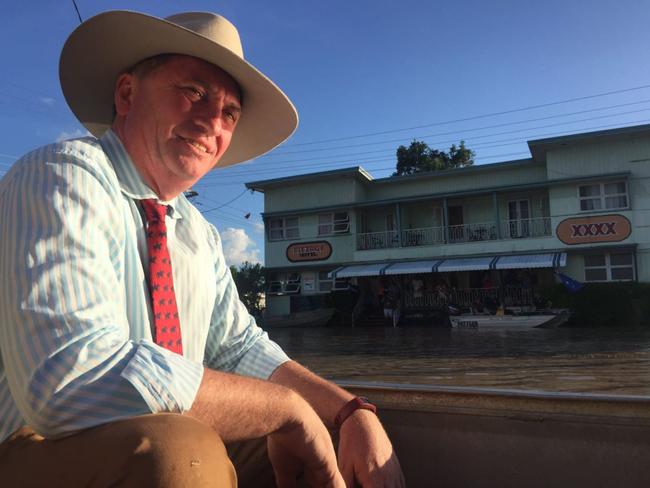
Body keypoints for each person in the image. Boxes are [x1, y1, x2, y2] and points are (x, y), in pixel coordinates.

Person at [0, 11, 404, 488]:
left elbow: (238, 348)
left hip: (162, 432)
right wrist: (285, 410)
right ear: (127, 94)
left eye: (230, 112)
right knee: (179, 451)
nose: (213, 121)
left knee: (354, 446)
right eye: (193, 92)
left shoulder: (197, 231)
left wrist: (348, 412)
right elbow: (71, 379)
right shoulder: (60, 176)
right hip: (30, 445)